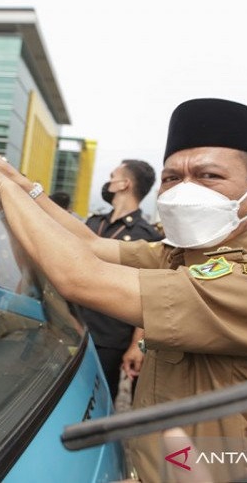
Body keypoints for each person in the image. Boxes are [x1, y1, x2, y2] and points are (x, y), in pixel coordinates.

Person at [0, 97, 247, 482]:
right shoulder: (182, 255)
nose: (184, 190)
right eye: (172, 178)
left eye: (208, 176)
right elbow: (89, 245)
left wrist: (3, 187)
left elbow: (79, 276)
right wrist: (20, 183)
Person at [80, 159, 163, 402]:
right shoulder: (94, 223)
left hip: (110, 337)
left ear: (124, 184)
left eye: (113, 175)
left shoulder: (146, 237)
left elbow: (150, 295)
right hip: (74, 325)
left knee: (97, 399)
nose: (109, 181)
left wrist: (137, 344)